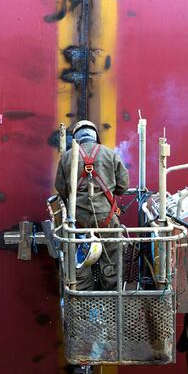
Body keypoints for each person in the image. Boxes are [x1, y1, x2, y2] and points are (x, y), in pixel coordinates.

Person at [54, 120, 129, 290]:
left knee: (79, 266)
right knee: (111, 260)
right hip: (107, 220)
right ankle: (110, 303)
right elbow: (123, 187)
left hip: (78, 222)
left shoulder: (67, 157)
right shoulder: (110, 154)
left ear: (76, 137)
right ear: (95, 136)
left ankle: (84, 305)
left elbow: (61, 189)